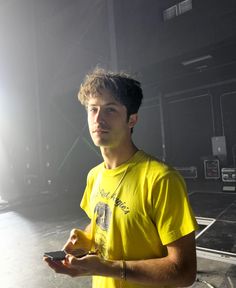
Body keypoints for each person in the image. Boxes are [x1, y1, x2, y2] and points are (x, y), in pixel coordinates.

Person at [44, 68, 199, 288]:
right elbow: (102, 224)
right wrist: (85, 239)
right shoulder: (94, 175)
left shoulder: (161, 179)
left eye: (110, 110)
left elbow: (184, 272)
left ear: (132, 119)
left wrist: (105, 268)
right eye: (93, 110)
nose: (99, 119)